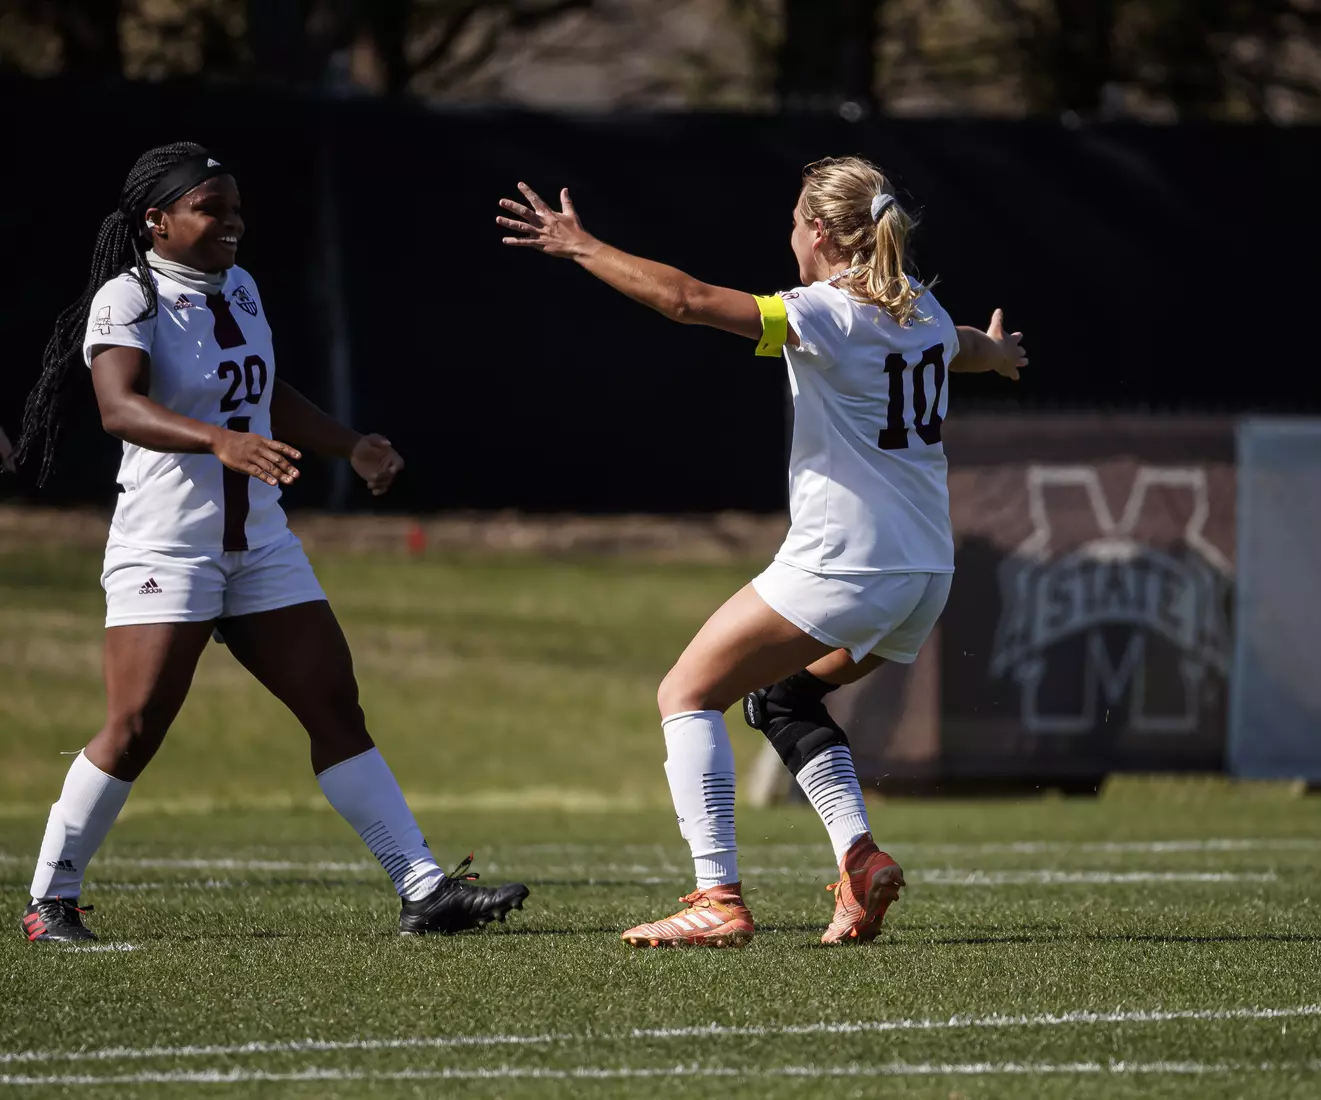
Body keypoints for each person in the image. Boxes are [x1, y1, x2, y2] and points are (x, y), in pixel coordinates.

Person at [496, 155, 1026, 948]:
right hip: (923, 573)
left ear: (816, 231)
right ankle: (858, 859)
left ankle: (717, 897)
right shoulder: (918, 308)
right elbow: (965, 350)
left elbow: (685, 302)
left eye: (792, 220)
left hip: (845, 564)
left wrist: (581, 247)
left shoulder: (821, 313)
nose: (788, 232)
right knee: (782, 699)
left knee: (685, 694)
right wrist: (1001, 353)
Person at [14, 142, 529, 943]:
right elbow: (119, 407)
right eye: (209, 209)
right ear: (157, 220)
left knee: (332, 702)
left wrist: (348, 444)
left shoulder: (241, 288)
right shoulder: (128, 296)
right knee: (138, 723)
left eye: (237, 209)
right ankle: (50, 902)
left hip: (258, 541)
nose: (232, 224)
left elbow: (262, 393)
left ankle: (423, 891)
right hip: (167, 547)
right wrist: (219, 443)